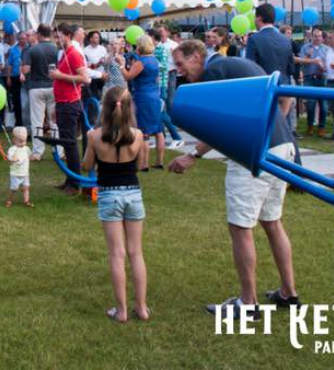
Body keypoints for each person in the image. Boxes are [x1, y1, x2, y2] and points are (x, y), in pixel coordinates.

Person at [168, 40, 300, 317]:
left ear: (197, 57)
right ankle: (288, 293)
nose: (179, 72)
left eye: (181, 64)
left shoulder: (215, 72)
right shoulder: (239, 63)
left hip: (252, 154)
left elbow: (218, 124)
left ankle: (247, 303)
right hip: (283, 147)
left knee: (241, 228)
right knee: (272, 222)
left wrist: (192, 156)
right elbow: (284, 98)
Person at [82, 86, 149, 323]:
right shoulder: (139, 135)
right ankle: (141, 308)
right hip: (133, 194)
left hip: (109, 195)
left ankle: (121, 312)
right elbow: (142, 165)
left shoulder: (94, 136)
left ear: (105, 108)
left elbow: (86, 165)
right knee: (135, 252)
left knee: (117, 255)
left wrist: (98, 157)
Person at [245, 3, 298, 141]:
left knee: (262, 135)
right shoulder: (285, 40)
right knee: (282, 132)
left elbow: (250, 68)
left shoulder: (254, 39)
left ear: (259, 18)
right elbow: (291, 68)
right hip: (283, 91)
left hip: (264, 91)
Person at [50, 23, 90, 194]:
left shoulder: (73, 54)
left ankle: (75, 184)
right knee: (67, 143)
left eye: (58, 36)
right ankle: (70, 180)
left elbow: (85, 78)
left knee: (70, 143)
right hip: (63, 103)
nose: (56, 40)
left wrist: (60, 75)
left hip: (69, 104)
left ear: (67, 35)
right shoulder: (65, 53)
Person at [123, 35, 163, 170]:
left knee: (144, 131)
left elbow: (128, 76)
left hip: (143, 96)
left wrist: (122, 66)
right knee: (158, 130)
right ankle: (159, 161)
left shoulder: (141, 62)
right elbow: (157, 80)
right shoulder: (154, 60)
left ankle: (144, 164)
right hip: (154, 95)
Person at [23, 24, 57, 160]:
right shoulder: (56, 49)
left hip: (36, 87)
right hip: (53, 87)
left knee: (37, 121)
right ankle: (58, 151)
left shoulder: (32, 49)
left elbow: (25, 70)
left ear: (39, 34)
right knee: (54, 120)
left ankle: (37, 152)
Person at [295, 29, 328, 136]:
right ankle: (310, 126)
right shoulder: (305, 47)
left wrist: (324, 67)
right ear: (312, 37)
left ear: (322, 38)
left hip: (322, 78)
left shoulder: (326, 49)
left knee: (323, 105)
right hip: (309, 78)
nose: (317, 38)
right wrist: (308, 56)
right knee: (310, 103)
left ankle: (321, 128)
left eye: (319, 36)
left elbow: (328, 64)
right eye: (315, 36)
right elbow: (300, 61)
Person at [5, 126, 33, 208]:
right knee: (14, 189)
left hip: (25, 173)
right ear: (14, 140)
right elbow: (9, 157)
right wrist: (13, 158)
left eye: (24, 141)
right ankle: (9, 200)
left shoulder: (26, 148)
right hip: (16, 173)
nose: (23, 143)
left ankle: (26, 201)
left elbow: (30, 155)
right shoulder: (12, 149)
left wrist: (32, 157)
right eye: (20, 141)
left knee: (26, 187)